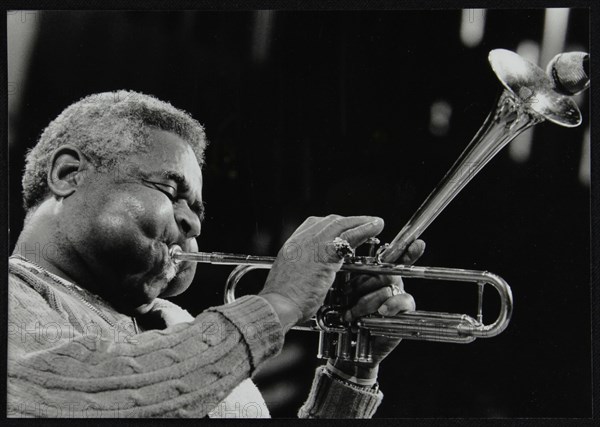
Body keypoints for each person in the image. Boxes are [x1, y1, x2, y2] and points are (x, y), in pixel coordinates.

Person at [7, 90, 425, 418]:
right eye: (171, 192)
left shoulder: (180, 327)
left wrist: (349, 375)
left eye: (198, 210)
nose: (194, 224)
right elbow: (87, 390)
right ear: (68, 174)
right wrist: (278, 302)